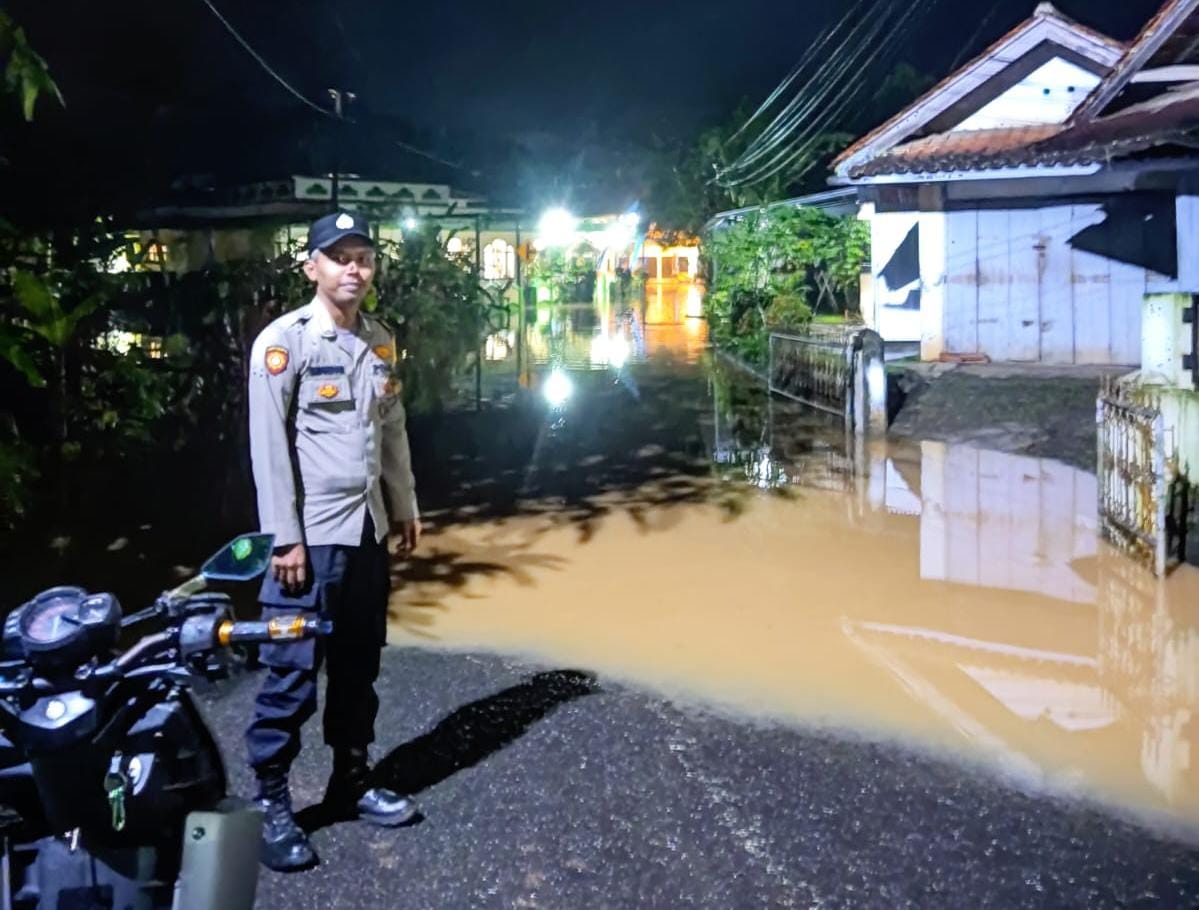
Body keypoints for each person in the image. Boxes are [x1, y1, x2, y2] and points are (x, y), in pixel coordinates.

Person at [245, 211, 422, 872]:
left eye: (363, 257)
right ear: (311, 267)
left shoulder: (380, 341)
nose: (354, 268)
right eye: (339, 256)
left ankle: (351, 778)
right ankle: (271, 803)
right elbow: (268, 447)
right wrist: (283, 540)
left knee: (358, 663)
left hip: (366, 529)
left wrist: (403, 506)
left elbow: (392, 427)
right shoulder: (284, 343)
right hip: (310, 540)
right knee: (291, 674)